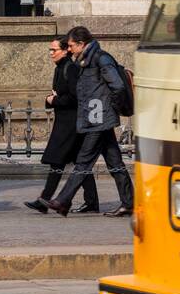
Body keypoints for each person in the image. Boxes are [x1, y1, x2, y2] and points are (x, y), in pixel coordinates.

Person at [45, 27, 134, 218]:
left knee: (84, 160)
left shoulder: (101, 58)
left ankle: (63, 200)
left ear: (81, 44)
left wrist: (111, 109)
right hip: (96, 117)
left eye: (70, 46)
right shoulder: (86, 61)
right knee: (114, 162)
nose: (69, 50)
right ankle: (128, 203)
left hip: (100, 119)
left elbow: (117, 86)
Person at [25, 36, 99, 215]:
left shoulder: (70, 68)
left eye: (54, 50)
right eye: (50, 50)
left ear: (66, 50)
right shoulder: (61, 68)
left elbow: (75, 97)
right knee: (80, 163)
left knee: (57, 160)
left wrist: (54, 99)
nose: (51, 53)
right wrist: (51, 100)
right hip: (65, 122)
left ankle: (45, 199)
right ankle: (91, 202)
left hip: (70, 124)